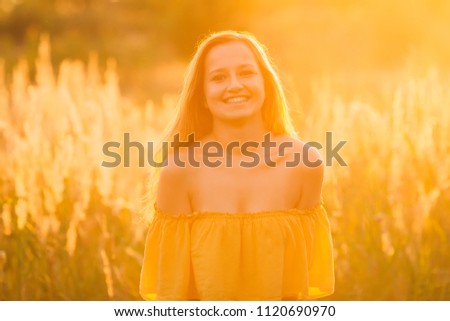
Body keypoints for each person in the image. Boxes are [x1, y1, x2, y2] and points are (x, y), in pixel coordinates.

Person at [139, 30, 334, 300]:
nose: (234, 85)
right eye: (219, 77)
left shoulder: (306, 164)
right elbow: (173, 297)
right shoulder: (179, 171)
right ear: (203, 96)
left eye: (246, 73)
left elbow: (297, 291)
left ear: (265, 84)